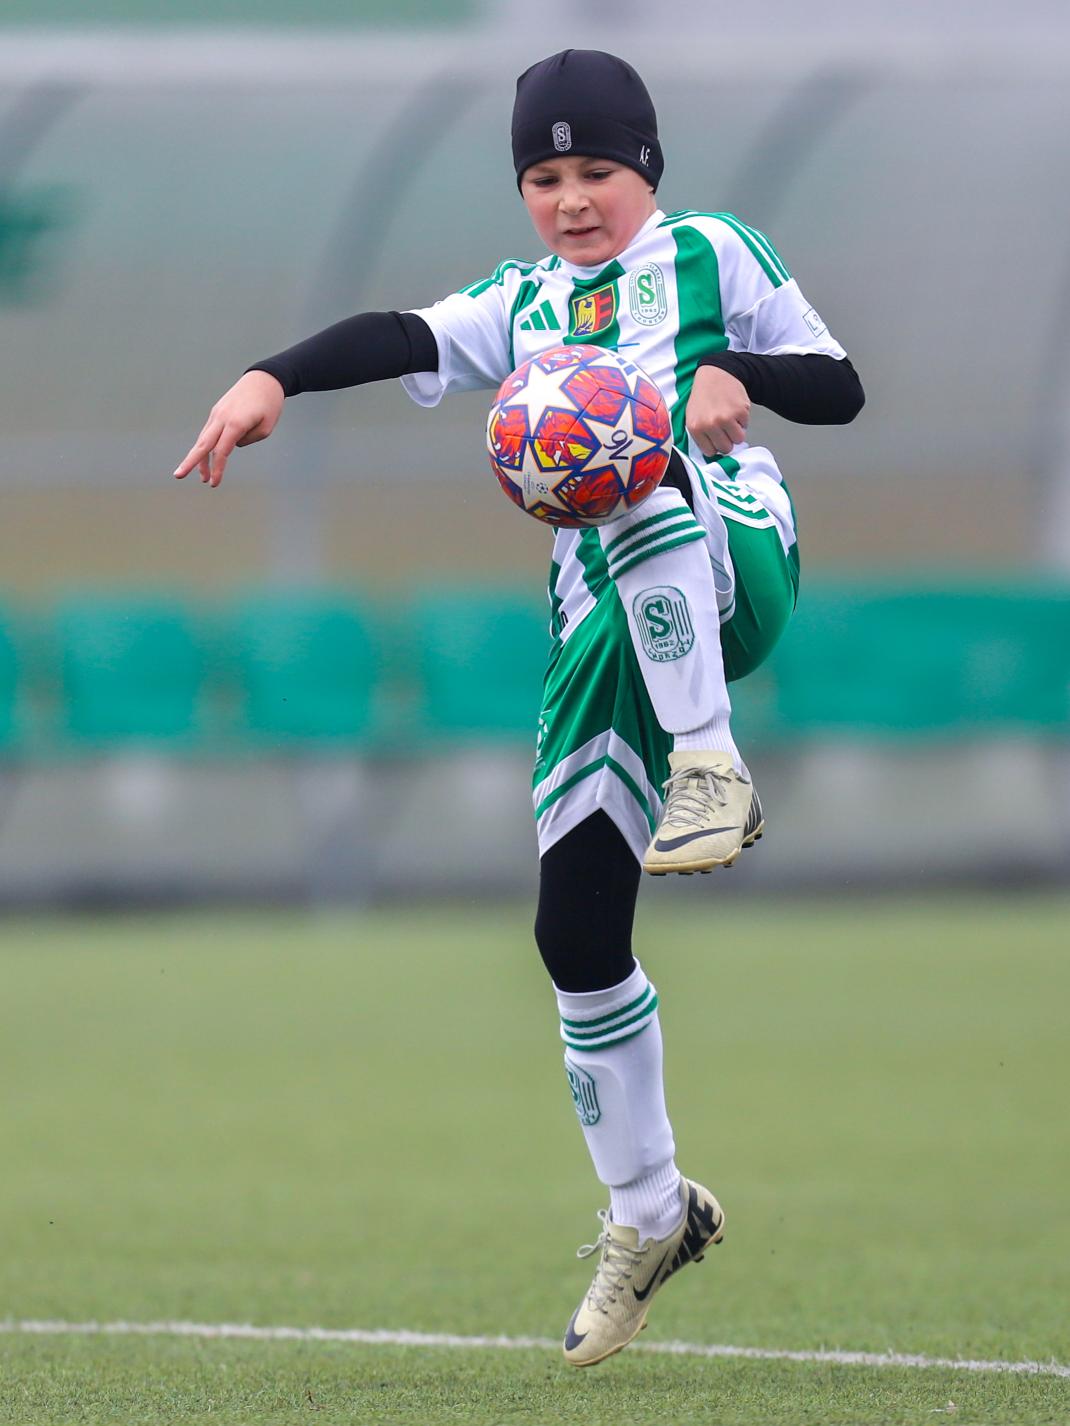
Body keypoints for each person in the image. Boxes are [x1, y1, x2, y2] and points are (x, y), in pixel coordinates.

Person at [175, 49, 864, 1367]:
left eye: (596, 170)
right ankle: (651, 1213)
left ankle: (713, 765)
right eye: (544, 178)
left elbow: (838, 382)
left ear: (646, 169)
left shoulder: (713, 253)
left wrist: (741, 376)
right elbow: (401, 335)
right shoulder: (525, 301)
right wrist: (269, 377)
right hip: (602, 622)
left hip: (736, 551)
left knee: (623, 448)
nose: (571, 199)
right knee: (573, 934)